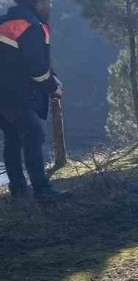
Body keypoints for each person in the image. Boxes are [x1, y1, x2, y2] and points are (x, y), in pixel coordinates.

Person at [0, 0, 67, 200]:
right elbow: (38, 69)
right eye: (47, 2)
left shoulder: (5, 22)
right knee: (34, 134)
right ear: (36, 5)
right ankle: (42, 189)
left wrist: (51, 75)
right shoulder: (32, 26)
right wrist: (54, 88)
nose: (50, 7)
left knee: (12, 138)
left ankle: (19, 189)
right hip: (15, 95)